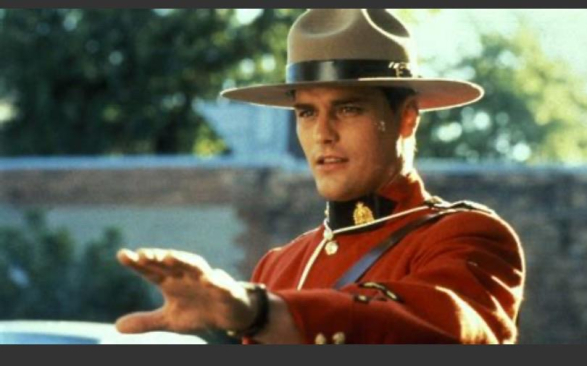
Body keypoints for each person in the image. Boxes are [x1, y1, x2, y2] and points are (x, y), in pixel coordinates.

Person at [115, 9, 525, 344]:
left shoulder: (467, 236)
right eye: (307, 112)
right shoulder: (277, 266)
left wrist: (256, 311)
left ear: (406, 118)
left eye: (348, 109)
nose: (322, 133)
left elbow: (441, 329)